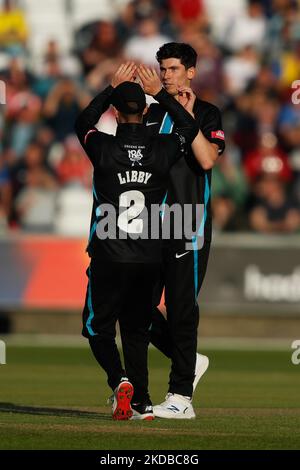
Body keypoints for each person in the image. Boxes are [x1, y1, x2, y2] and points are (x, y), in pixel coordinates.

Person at [75, 62, 198, 421]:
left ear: (114, 111)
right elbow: (189, 127)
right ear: (145, 112)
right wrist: (159, 93)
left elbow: (82, 123)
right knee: (136, 329)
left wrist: (109, 88)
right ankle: (142, 404)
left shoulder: (102, 147)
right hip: (148, 257)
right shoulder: (161, 148)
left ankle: (120, 380)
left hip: (109, 254)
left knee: (96, 327)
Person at [144, 43, 225, 419]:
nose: (166, 75)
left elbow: (207, 159)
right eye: (162, 69)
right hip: (147, 225)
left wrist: (186, 117)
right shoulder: (150, 114)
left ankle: (181, 397)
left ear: (191, 72)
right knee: (133, 305)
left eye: (174, 68)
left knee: (180, 309)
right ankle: (190, 361)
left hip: (187, 221)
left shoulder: (208, 113)